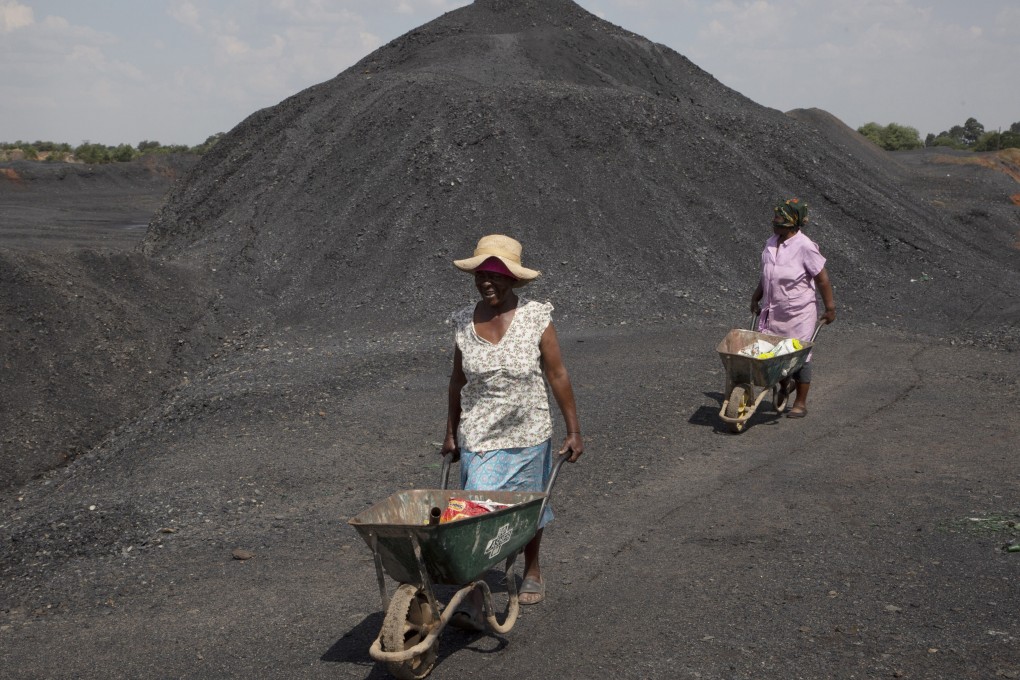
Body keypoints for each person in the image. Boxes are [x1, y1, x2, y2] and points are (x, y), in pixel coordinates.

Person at [442, 234, 583, 626]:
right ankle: (472, 590)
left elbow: (557, 374)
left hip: (530, 432)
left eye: (497, 275)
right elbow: (457, 381)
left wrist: (574, 430)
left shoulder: (536, 317)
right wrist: (451, 431)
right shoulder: (462, 322)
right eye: (482, 275)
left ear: (514, 280)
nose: (487, 282)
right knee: (472, 512)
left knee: (527, 508)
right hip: (479, 436)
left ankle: (532, 569)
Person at [750, 199, 836, 418]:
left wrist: (830, 308)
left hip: (799, 313)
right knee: (775, 354)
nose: (773, 223)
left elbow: (822, 279)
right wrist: (756, 297)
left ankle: (800, 402)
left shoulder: (805, 246)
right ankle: (785, 384)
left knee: (800, 356)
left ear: (792, 222)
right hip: (774, 311)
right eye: (775, 218)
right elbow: (767, 276)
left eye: (779, 219)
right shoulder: (771, 242)